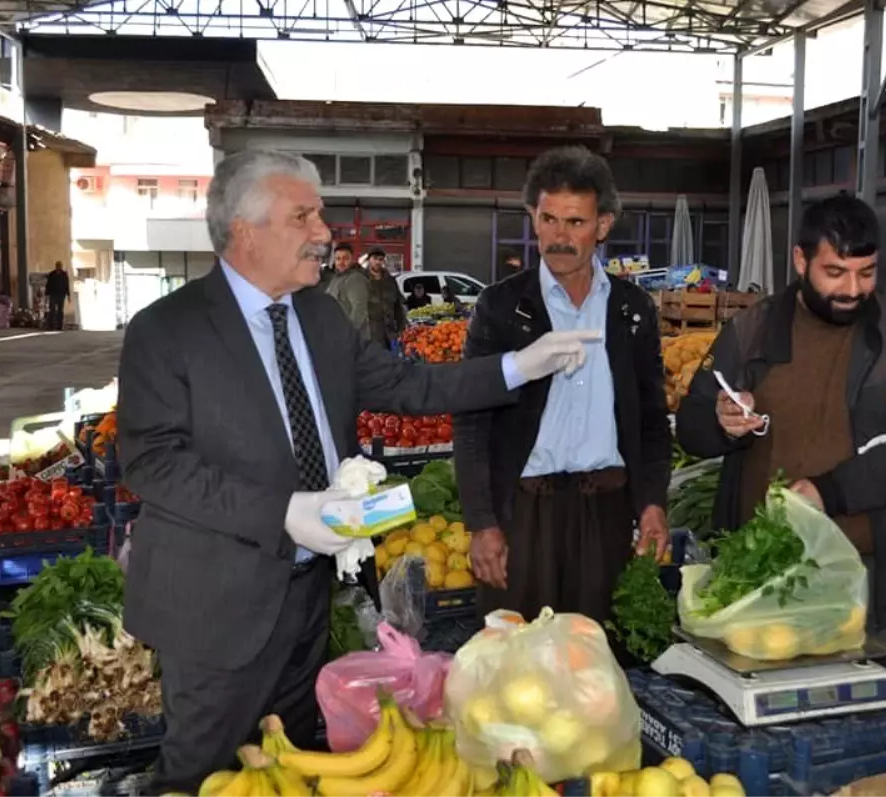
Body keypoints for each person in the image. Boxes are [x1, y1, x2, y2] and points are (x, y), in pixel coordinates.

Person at [116, 148, 600, 795]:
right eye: (304, 217)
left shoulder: (319, 316)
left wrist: (519, 366)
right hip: (215, 610)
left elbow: (409, 383)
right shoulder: (166, 330)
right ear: (245, 231)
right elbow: (152, 462)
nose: (324, 233)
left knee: (285, 767)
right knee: (204, 776)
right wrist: (283, 512)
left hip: (305, 601)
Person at [675, 195, 886, 653]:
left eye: (867, 272)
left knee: (873, 704)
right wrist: (721, 421)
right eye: (835, 272)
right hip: (763, 575)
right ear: (801, 261)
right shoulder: (752, 331)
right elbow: (690, 428)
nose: (853, 289)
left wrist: (830, 491)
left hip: (872, 572)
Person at [453, 146, 672, 624]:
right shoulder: (500, 307)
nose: (559, 236)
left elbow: (653, 419)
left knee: (596, 669)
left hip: (608, 516)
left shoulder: (632, 310)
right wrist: (482, 523)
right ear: (533, 216)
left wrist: (653, 502)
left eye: (575, 223)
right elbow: (472, 423)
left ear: (604, 225)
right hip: (524, 517)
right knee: (517, 668)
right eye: (548, 219)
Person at [323, 243, 371, 338]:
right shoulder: (335, 279)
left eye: (345, 258)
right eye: (338, 259)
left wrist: (347, 333)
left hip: (351, 338)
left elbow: (359, 309)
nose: (341, 262)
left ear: (352, 259)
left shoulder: (355, 279)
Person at [364, 248, 406, 348]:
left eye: (380, 259)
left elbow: (398, 306)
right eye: (375, 258)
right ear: (369, 260)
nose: (378, 262)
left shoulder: (390, 281)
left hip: (389, 331)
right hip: (370, 332)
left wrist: (401, 328)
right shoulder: (361, 279)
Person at [44, 261, 70, 330]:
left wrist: (68, 295)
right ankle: (50, 326)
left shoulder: (64, 275)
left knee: (60, 311)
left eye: (60, 265)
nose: (59, 266)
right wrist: (46, 294)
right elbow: (48, 285)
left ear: (61, 266)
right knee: (51, 310)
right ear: (56, 266)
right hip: (53, 295)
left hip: (61, 295)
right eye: (58, 265)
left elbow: (67, 285)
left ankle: (59, 326)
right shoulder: (52, 274)